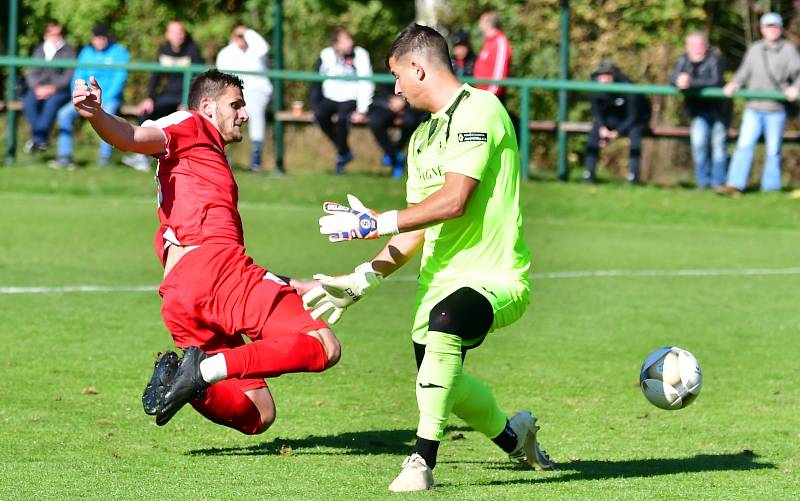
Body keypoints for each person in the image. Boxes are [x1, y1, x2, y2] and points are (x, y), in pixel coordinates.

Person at [304, 24, 554, 492]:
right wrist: (362, 279)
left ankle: (421, 460)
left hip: (495, 277)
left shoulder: (481, 109)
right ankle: (513, 435)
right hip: (437, 282)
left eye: (398, 75)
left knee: (446, 325)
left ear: (418, 68)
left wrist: (377, 222)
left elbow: (455, 200)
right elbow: (417, 224)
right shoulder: (422, 139)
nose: (396, 88)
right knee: (442, 380)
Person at [71, 69, 341, 434]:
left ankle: (189, 382)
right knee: (322, 345)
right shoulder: (191, 124)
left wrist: (295, 284)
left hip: (183, 296)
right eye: (236, 105)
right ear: (207, 106)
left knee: (259, 413)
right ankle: (200, 371)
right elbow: (133, 136)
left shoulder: (205, 157)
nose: (243, 114)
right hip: (214, 273)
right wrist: (98, 116)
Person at [716, 12, 800, 197]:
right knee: (744, 146)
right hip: (753, 108)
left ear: (780, 29)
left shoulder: (789, 51)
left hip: (776, 109)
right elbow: (743, 73)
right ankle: (735, 185)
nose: (772, 30)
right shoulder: (754, 49)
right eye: (768, 26)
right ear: (762, 29)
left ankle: (771, 189)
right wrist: (734, 84)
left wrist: (795, 88)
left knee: (773, 150)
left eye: (775, 26)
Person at [122, 21, 204, 172]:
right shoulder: (163, 50)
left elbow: (198, 79)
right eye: (174, 32)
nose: (178, 36)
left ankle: (188, 159)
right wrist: (149, 98)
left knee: (191, 120)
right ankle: (143, 157)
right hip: (167, 95)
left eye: (180, 32)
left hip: (185, 98)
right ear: (167, 35)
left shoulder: (193, 50)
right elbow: (156, 76)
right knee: (145, 112)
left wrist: (188, 101)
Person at [52, 22, 129, 169]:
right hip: (87, 98)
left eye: (103, 37)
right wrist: (78, 96)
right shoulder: (86, 52)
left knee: (108, 114)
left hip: (109, 98)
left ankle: (104, 158)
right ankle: (65, 156)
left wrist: (101, 101)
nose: (100, 41)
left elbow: (119, 80)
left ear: (107, 38)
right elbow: (78, 76)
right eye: (97, 38)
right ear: (92, 39)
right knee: (64, 114)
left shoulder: (119, 52)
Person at [670, 32, 730, 189]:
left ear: (706, 46)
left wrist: (691, 83)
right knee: (698, 144)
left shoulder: (715, 59)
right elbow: (673, 78)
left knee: (718, 146)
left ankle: (718, 182)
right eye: (693, 45)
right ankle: (702, 182)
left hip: (719, 110)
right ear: (687, 48)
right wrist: (678, 81)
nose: (697, 49)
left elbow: (716, 81)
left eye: (700, 45)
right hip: (698, 111)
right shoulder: (682, 59)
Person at [310, 27, 374, 174]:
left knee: (343, 120)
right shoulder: (326, 55)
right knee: (319, 114)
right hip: (330, 98)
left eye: (350, 39)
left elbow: (367, 83)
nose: (351, 43)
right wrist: (314, 106)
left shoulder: (361, 55)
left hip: (350, 98)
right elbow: (315, 82)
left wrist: (362, 110)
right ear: (336, 44)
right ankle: (344, 150)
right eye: (346, 40)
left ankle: (342, 156)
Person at [583, 60, 652, 184]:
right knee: (594, 130)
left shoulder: (628, 87)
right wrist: (603, 127)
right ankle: (588, 174)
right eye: (602, 75)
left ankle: (632, 177)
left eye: (608, 75)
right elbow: (596, 112)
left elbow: (634, 116)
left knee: (635, 134)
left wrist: (618, 131)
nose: (604, 78)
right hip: (613, 119)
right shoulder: (594, 88)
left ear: (614, 75)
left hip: (634, 120)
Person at [216, 25, 273, 172]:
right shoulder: (227, 53)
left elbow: (264, 48)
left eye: (245, 36)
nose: (242, 40)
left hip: (256, 94)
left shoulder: (256, 50)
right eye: (239, 36)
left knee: (256, 109)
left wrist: (247, 32)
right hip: (232, 96)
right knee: (220, 113)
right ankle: (221, 156)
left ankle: (256, 156)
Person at [22, 21, 76, 153]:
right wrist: (37, 88)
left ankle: (37, 139)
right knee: (28, 102)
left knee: (51, 104)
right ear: (46, 35)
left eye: (59, 34)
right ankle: (40, 139)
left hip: (59, 90)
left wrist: (52, 88)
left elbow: (68, 76)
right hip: (38, 89)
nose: (57, 37)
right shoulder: (39, 49)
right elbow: (31, 73)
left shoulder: (69, 51)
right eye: (53, 34)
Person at [367, 84, 427, 179]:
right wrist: (390, 101)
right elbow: (382, 91)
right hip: (387, 104)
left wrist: (404, 103)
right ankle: (395, 156)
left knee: (410, 122)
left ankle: (395, 153)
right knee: (375, 122)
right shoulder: (388, 71)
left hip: (410, 106)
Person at [473, 11, 511, 100]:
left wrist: (490, 96)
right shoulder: (488, 42)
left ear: (488, 23)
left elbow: (499, 74)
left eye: (481, 22)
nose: (479, 25)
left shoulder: (500, 41)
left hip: (491, 99)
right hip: (483, 96)